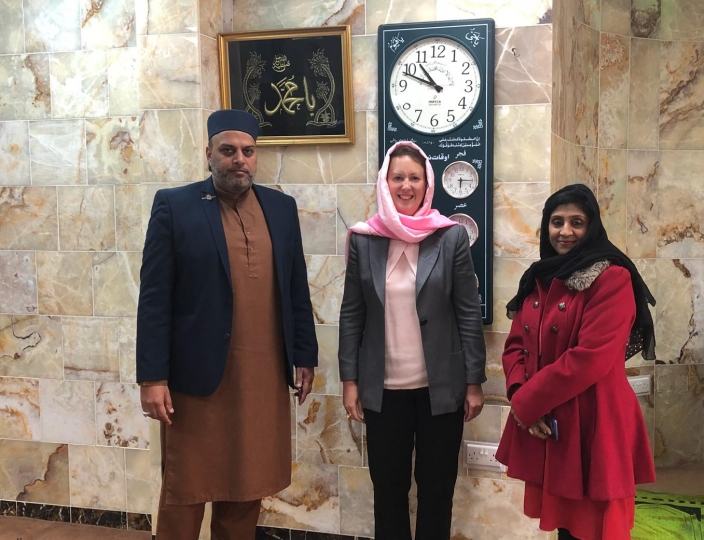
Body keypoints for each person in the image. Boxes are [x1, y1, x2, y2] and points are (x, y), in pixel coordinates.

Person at [136, 109, 318, 540]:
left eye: (248, 151)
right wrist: (152, 378)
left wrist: (305, 356)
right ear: (209, 154)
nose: (240, 159)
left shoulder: (280, 208)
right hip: (195, 383)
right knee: (185, 489)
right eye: (229, 151)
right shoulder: (175, 206)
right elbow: (154, 298)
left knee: (246, 487)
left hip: (261, 378)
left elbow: (296, 288)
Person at [338, 141, 486, 540]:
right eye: (397, 177)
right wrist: (350, 381)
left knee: (437, 491)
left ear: (427, 184)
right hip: (383, 392)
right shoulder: (364, 239)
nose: (406, 185)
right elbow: (352, 313)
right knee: (388, 491)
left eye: (414, 178)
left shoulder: (450, 237)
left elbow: (468, 312)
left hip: (442, 390)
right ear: (385, 182)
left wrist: (474, 382)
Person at [495, 184, 657, 540]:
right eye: (556, 222)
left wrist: (526, 404)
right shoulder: (540, 276)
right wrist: (520, 392)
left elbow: (591, 358)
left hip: (594, 420)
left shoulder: (612, 277)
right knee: (566, 527)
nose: (565, 231)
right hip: (549, 421)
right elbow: (516, 346)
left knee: (596, 527)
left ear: (592, 227)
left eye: (577, 222)